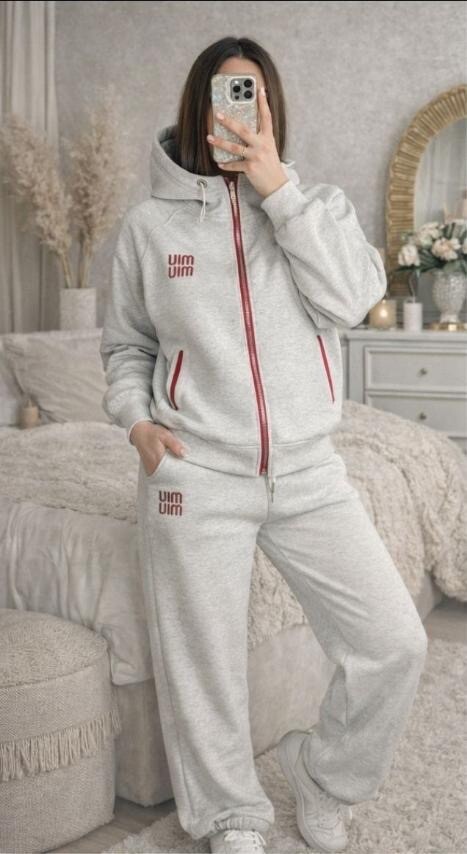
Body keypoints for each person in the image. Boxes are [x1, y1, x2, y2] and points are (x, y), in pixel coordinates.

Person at [100, 36, 428, 854]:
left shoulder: (317, 208)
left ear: (272, 108)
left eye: (254, 93)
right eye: (226, 93)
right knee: (202, 663)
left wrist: (277, 191)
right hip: (195, 473)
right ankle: (229, 816)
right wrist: (137, 423)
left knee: (392, 641)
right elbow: (126, 345)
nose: (240, 110)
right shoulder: (148, 227)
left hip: (309, 471)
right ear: (198, 108)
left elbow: (351, 300)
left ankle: (325, 778)